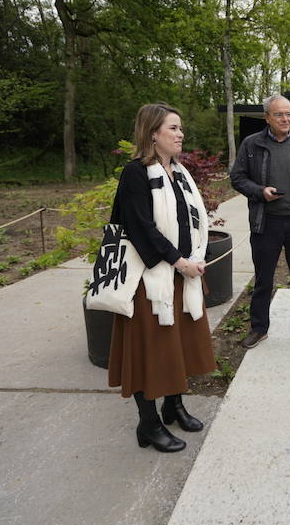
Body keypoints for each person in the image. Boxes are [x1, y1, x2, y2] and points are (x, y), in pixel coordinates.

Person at [108, 103, 217, 453]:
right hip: (150, 280)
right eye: (173, 128)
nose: (180, 134)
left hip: (182, 274)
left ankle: (173, 406)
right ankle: (148, 424)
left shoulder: (180, 174)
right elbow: (141, 228)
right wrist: (178, 261)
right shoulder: (136, 174)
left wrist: (198, 256)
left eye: (180, 128)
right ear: (153, 133)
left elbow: (193, 220)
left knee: (178, 348)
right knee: (150, 352)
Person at [230, 94, 290, 349]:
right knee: (263, 279)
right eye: (279, 114)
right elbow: (237, 178)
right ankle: (259, 328)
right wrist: (260, 191)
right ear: (267, 117)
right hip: (265, 223)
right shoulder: (251, 144)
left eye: (289, 113)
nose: (285, 119)